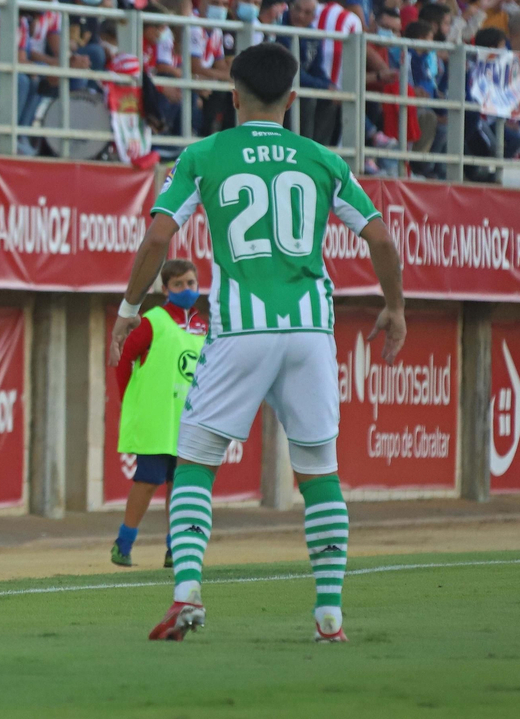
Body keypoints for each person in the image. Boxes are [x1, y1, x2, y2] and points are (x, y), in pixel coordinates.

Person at [111, 42, 406, 644]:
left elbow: (157, 239)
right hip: (310, 330)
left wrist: (129, 308)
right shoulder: (323, 159)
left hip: (242, 329)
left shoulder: (204, 154)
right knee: (319, 471)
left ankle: (187, 593)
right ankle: (329, 615)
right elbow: (380, 238)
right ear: (292, 98)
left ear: (233, 95)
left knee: (196, 461)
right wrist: (395, 307)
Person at [111, 258, 206, 569]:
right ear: (165, 289)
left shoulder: (205, 327)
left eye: (191, 283)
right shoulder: (153, 320)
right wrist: (131, 399)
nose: (186, 289)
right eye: (178, 284)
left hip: (188, 421)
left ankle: (174, 548)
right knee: (147, 481)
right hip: (156, 420)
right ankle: (123, 544)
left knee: (179, 486)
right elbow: (124, 358)